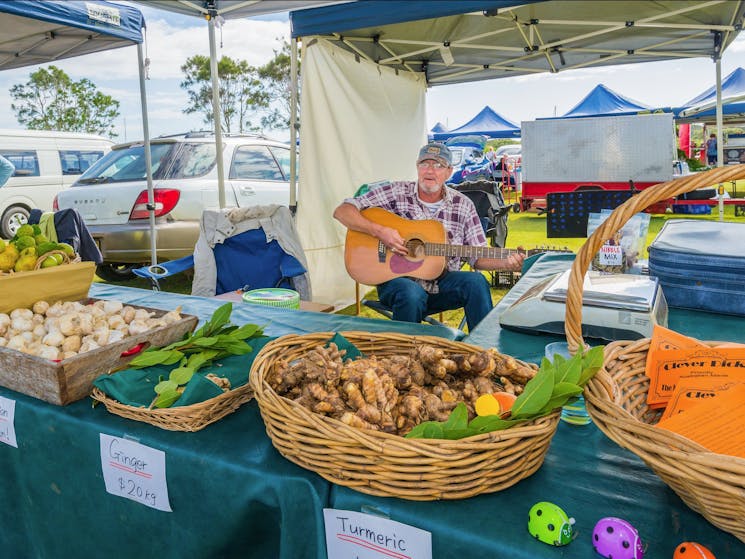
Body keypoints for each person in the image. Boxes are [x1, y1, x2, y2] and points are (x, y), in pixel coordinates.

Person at [333, 141, 524, 330]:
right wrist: (380, 232)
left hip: (441, 285)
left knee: (476, 282)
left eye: (438, 165)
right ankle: (407, 356)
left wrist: (506, 263)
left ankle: (484, 349)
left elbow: (478, 258)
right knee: (410, 292)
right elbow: (343, 211)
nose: (430, 171)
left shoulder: (463, 205)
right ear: (417, 167)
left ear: (449, 172)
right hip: (398, 283)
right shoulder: (397, 192)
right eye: (425, 164)